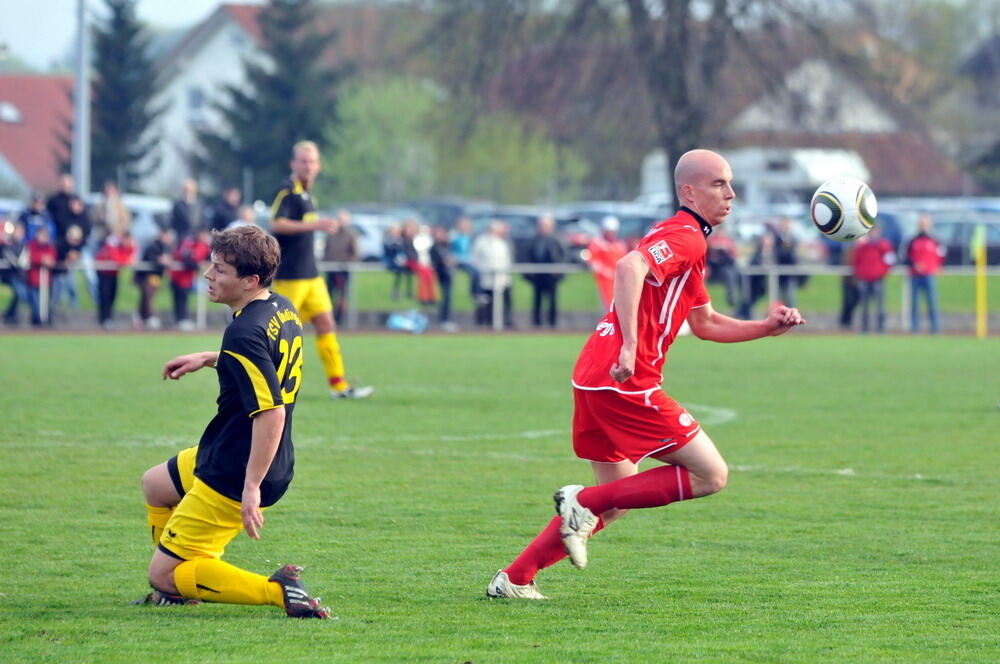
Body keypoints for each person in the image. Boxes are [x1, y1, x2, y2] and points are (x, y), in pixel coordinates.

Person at [486, 149, 805, 600]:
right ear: (688, 191)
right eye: (719, 184)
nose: (731, 193)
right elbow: (629, 265)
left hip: (595, 375)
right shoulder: (686, 236)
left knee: (616, 499)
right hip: (624, 378)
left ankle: (515, 579)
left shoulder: (692, 243)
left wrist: (766, 328)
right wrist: (633, 345)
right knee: (710, 475)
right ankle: (580, 502)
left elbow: (706, 323)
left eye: (731, 184)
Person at [132, 225, 329, 619]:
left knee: (164, 574)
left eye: (220, 270)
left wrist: (250, 487)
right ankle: (178, 582)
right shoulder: (281, 307)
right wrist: (208, 357)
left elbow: (271, 411)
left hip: (237, 467)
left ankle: (277, 591)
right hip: (227, 448)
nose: (209, 275)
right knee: (155, 485)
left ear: (250, 280)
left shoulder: (243, 331)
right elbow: (263, 365)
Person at [269, 140, 372, 399]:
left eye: (312, 161)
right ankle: (265, 384)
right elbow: (278, 224)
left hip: (311, 275)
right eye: (303, 160)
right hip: (290, 276)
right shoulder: (288, 191)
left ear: (319, 165)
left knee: (326, 323)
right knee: (281, 335)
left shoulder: (308, 194)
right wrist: (315, 226)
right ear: (294, 163)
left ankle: (339, 386)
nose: (308, 165)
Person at [524, 214, 566, 328]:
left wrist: (558, 271)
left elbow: (562, 256)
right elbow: (528, 256)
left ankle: (552, 323)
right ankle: (536, 323)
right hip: (538, 276)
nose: (543, 228)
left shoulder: (556, 241)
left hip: (551, 277)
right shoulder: (534, 240)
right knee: (537, 300)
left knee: (552, 300)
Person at [905, 214, 944, 334]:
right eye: (921, 224)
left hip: (929, 275)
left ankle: (935, 328)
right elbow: (906, 257)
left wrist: (938, 267)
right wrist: (914, 265)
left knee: (932, 302)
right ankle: (915, 329)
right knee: (915, 304)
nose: (923, 227)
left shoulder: (934, 241)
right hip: (915, 276)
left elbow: (941, 256)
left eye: (925, 224)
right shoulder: (913, 241)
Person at [852, 226, 895, 334]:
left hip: (878, 279)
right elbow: (856, 261)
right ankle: (864, 328)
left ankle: (881, 328)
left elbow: (890, 260)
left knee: (880, 306)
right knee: (864, 306)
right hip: (865, 279)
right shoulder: (863, 247)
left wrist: (883, 273)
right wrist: (859, 274)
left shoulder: (883, 246)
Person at [471, 220, 513, 328]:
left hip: (501, 278)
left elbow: (506, 260)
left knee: (502, 301)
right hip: (485, 278)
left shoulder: (502, 243)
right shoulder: (481, 242)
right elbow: (475, 259)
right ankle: (483, 323)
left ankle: (504, 321)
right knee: (485, 302)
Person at [169, 228, 212, 330]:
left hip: (188, 277)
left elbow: (209, 257)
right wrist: (198, 266)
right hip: (179, 275)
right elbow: (185, 259)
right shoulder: (188, 244)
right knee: (180, 297)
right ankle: (180, 319)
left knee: (184, 297)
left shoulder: (204, 245)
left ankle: (182, 319)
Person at [322, 209, 358, 325]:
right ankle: (330, 317)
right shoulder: (331, 234)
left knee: (342, 296)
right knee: (329, 295)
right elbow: (326, 250)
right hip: (331, 269)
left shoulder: (351, 235)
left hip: (343, 271)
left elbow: (355, 253)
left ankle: (340, 318)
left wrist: (346, 263)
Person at [134, 226, 175, 330]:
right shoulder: (153, 246)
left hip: (156, 276)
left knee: (148, 297)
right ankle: (149, 317)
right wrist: (161, 261)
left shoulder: (166, 247)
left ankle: (142, 317)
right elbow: (154, 260)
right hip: (146, 276)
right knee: (147, 297)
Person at [586, 215, 628, 312]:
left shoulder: (620, 244)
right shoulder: (597, 243)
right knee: (607, 307)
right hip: (604, 280)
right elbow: (593, 262)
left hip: (618, 280)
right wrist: (607, 272)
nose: (611, 234)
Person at [95, 231, 136, 329]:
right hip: (104, 273)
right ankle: (104, 318)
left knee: (113, 296)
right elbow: (116, 259)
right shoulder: (112, 242)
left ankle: (108, 318)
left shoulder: (128, 245)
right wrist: (126, 261)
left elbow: (131, 255)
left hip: (114, 273)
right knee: (105, 296)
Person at [705, 224, 743, 316]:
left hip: (727, 267)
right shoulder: (711, 241)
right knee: (728, 273)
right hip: (714, 268)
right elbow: (707, 255)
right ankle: (731, 298)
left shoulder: (729, 242)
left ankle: (736, 299)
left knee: (733, 273)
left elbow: (734, 256)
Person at [25, 224, 57, 326]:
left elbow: (52, 258)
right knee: (35, 303)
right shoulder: (31, 245)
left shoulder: (50, 247)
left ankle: (44, 321)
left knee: (46, 303)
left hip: (46, 281)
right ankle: (37, 322)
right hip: (34, 279)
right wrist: (42, 259)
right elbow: (31, 256)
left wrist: (47, 260)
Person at [429, 224, 457, 331]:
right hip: (440, 274)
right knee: (444, 297)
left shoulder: (447, 245)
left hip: (448, 274)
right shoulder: (434, 247)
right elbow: (435, 261)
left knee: (448, 297)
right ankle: (443, 320)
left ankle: (447, 319)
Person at [450, 216, 483, 303]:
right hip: (458, 260)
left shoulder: (469, 237)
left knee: (477, 272)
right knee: (474, 272)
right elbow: (452, 250)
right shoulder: (454, 236)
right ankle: (475, 294)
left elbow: (471, 250)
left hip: (468, 260)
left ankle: (477, 293)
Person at [1, 220, 27, 325]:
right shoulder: (6, 245)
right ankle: (10, 315)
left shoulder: (22, 246)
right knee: (19, 293)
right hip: (8, 275)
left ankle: (11, 315)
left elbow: (23, 262)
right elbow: (10, 259)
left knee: (21, 294)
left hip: (18, 275)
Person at [46, 173, 76, 239]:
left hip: (71, 235)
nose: (65, 186)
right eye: (63, 184)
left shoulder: (75, 200)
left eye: (67, 184)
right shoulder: (53, 200)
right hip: (57, 233)